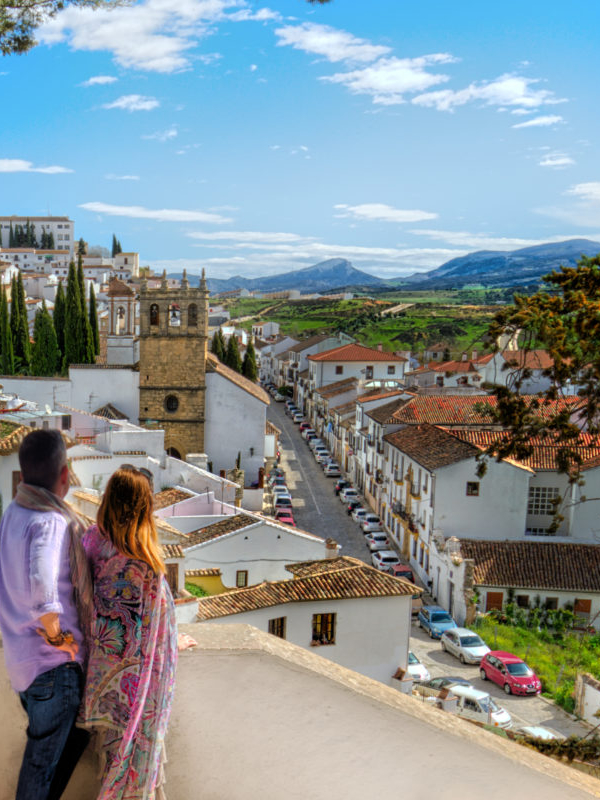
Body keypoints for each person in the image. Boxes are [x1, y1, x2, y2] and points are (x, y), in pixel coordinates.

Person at [80, 467, 194, 799]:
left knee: (109, 760)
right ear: (145, 508)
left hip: (101, 685)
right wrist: (176, 644)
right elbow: (159, 632)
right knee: (136, 772)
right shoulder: (147, 567)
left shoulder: (90, 543)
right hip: (137, 691)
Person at [0, 429, 93, 799]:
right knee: (39, 770)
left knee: (64, 747)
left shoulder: (12, 513)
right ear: (65, 476)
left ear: (22, 477)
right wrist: (60, 638)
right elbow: (42, 587)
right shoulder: (51, 522)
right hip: (54, 669)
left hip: (24, 667)